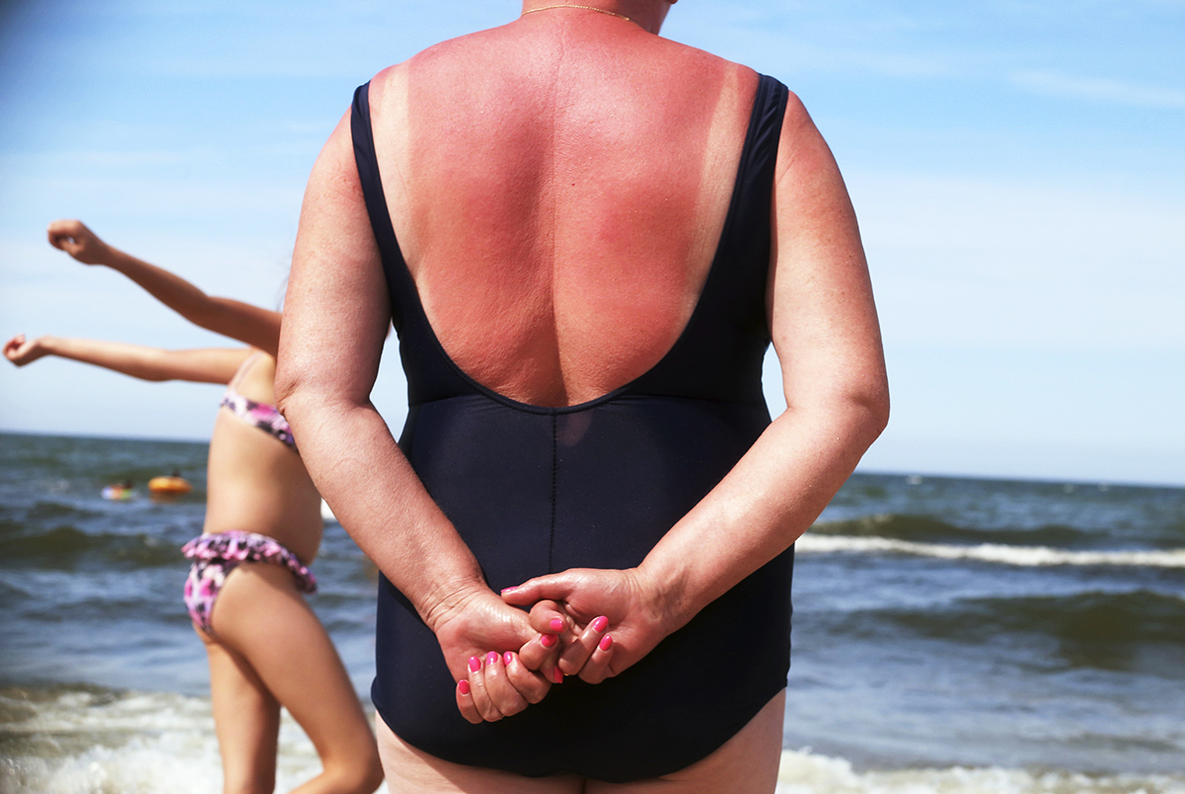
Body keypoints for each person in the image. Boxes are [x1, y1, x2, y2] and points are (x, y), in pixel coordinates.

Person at [276, 1, 888, 791]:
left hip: (461, 653)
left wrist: (448, 600)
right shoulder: (760, 116)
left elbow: (316, 392)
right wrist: (659, 594)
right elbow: (845, 399)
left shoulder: (380, 114)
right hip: (697, 641)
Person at [3, 220, 384, 794]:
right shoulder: (287, 344)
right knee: (356, 768)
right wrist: (108, 256)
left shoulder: (270, 367)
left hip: (216, 585)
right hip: (251, 582)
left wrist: (53, 345)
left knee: (245, 787)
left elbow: (156, 363)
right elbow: (202, 307)